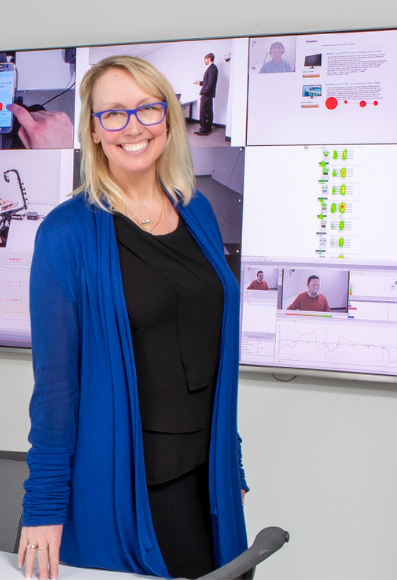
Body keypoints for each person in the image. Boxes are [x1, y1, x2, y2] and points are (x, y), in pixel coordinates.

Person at [19, 55, 249, 580]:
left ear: (168, 118)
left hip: (207, 479)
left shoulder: (198, 212)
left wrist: (229, 463)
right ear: (94, 132)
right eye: (113, 114)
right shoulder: (67, 235)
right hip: (129, 486)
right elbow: (54, 388)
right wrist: (45, 506)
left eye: (147, 109)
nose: (133, 127)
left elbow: (209, 354)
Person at [193, 53, 218, 136]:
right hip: (209, 94)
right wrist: (199, 83)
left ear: (209, 58)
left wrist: (205, 92)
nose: (204, 61)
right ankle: (208, 128)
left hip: (207, 94)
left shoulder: (212, 68)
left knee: (203, 111)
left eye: (205, 59)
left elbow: (211, 83)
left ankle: (203, 130)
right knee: (208, 111)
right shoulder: (212, 68)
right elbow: (208, 82)